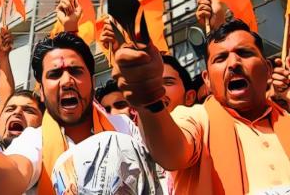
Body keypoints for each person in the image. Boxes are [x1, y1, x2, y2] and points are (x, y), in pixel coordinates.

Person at [0, 32, 168, 194]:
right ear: (41, 92)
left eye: (75, 71)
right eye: (55, 75)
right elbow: (16, 169)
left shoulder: (124, 127)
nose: (67, 81)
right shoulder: (34, 139)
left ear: (92, 81)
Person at [112, 18, 290, 194]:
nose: (234, 63)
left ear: (268, 69)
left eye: (244, 53)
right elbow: (171, 153)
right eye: (220, 58)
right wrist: (147, 95)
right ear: (207, 80)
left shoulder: (287, 119)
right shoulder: (196, 119)